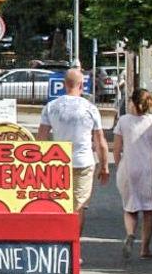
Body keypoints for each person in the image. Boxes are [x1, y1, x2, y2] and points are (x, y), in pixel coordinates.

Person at [110, 88, 152, 258]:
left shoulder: (123, 121)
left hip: (128, 167)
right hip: (149, 169)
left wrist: (118, 165)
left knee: (130, 207)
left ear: (133, 103)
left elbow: (116, 148)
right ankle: (145, 248)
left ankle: (130, 233)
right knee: (149, 209)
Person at [38, 67, 110, 210]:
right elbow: (100, 141)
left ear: (64, 84)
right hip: (83, 162)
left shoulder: (51, 107)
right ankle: (74, 232)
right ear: (82, 85)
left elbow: (41, 138)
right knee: (79, 205)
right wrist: (104, 166)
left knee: (59, 203)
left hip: (58, 162)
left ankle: (61, 232)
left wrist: (42, 164)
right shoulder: (90, 108)